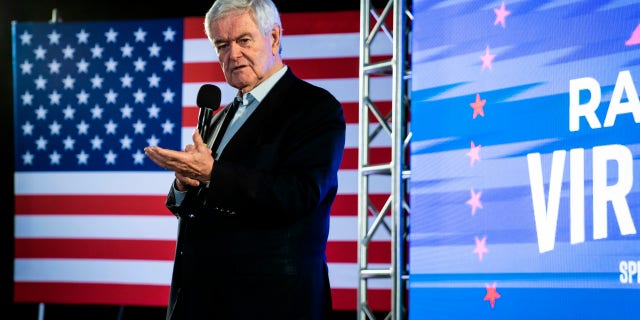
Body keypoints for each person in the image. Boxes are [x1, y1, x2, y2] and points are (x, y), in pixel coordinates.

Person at [144, 0, 346, 319]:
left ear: (275, 38)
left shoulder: (314, 108)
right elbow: (200, 208)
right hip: (201, 299)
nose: (232, 54)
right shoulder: (221, 117)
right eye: (221, 45)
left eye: (244, 40)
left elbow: (300, 195)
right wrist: (184, 184)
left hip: (270, 304)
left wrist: (213, 175)